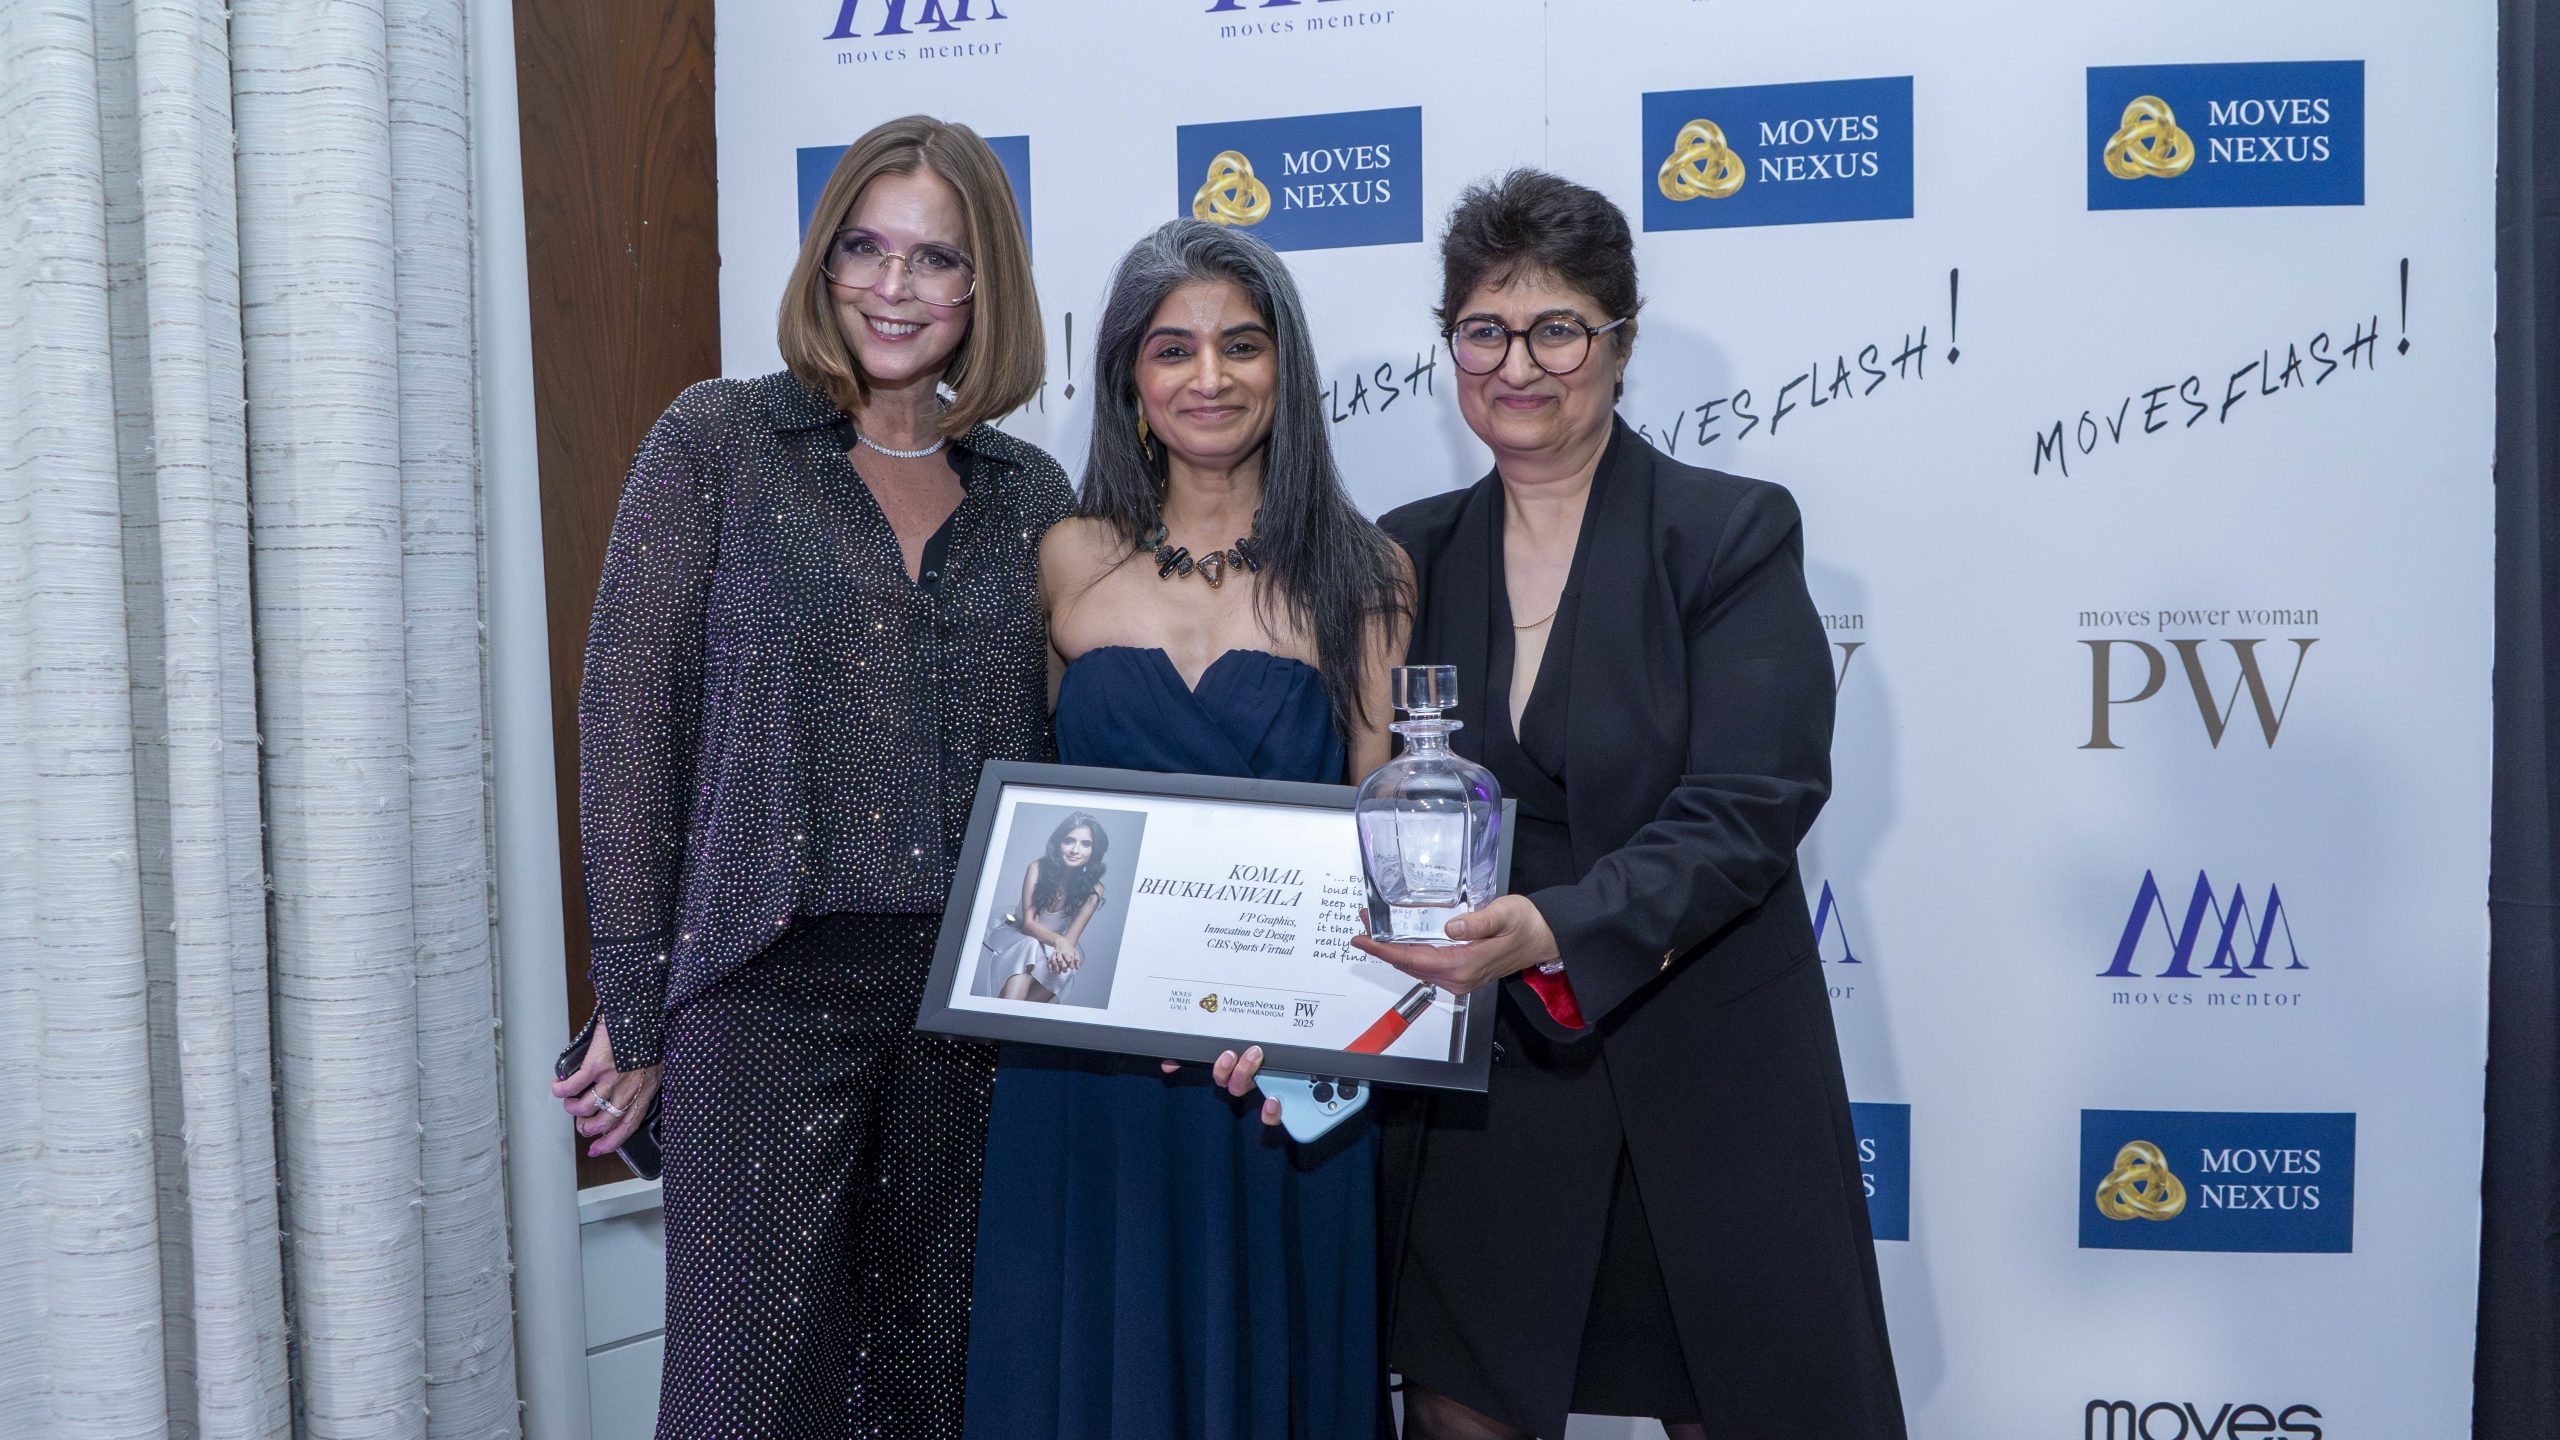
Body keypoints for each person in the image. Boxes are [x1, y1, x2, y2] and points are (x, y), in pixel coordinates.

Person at [1359, 170, 1908, 1440]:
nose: (1518, 366)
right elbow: (1350, 795)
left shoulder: (1725, 533)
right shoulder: (1403, 553)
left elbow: (1753, 800)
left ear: (1620, 342)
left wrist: (1557, 926)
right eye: (1485, 331)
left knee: (1737, 1404)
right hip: (1483, 1074)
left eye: (1557, 329)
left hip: (1699, 1056)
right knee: (1461, 1409)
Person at [549, 115, 1066, 1440]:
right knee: (741, 1400)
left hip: (973, 1016)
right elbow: (629, 729)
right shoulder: (719, 442)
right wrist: (635, 1005)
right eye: (865, 248)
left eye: (936, 258)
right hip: (762, 996)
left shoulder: (1032, 496)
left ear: (985, 286)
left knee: (931, 1393)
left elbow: (1071, 766)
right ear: (824, 260)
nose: (895, 287)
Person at [961, 219, 1411, 1440]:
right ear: (1129, 380)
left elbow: (1381, 848)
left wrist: (1314, 1043)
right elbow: (1028, 812)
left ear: (1284, 369)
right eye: (1173, 350)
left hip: (1273, 1079)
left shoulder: (1365, 576)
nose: (1209, 377)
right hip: (1086, 1071)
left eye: (1241, 345)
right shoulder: (1066, 558)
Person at [983, 812, 1109, 1003]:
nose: (1075, 850)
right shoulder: (1037, 868)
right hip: (1014, 933)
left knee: (1065, 970)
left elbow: (1070, 940)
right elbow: (1028, 925)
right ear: (1058, 843)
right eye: (1069, 841)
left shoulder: (1095, 889)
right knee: (1029, 945)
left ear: (1094, 850)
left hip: (1049, 944)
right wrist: (1060, 942)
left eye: (1085, 844)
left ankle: (1009, 1012)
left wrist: (1063, 950)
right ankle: (1006, 1010)